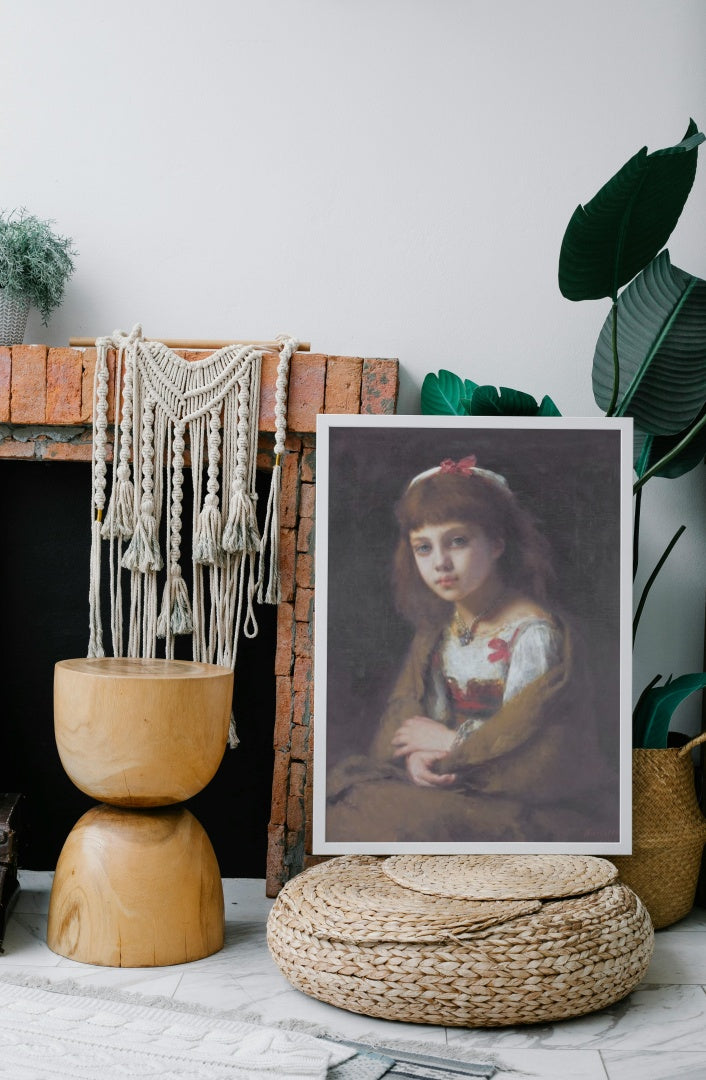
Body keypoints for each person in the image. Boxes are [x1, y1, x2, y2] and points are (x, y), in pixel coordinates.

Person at [326, 454, 618, 844]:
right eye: (424, 547)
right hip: (450, 783)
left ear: (497, 542)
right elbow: (417, 724)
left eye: (457, 541)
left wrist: (449, 745)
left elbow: (529, 745)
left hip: (516, 794)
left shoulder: (532, 633)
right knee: (348, 799)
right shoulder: (440, 629)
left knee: (400, 824)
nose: (440, 563)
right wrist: (415, 758)